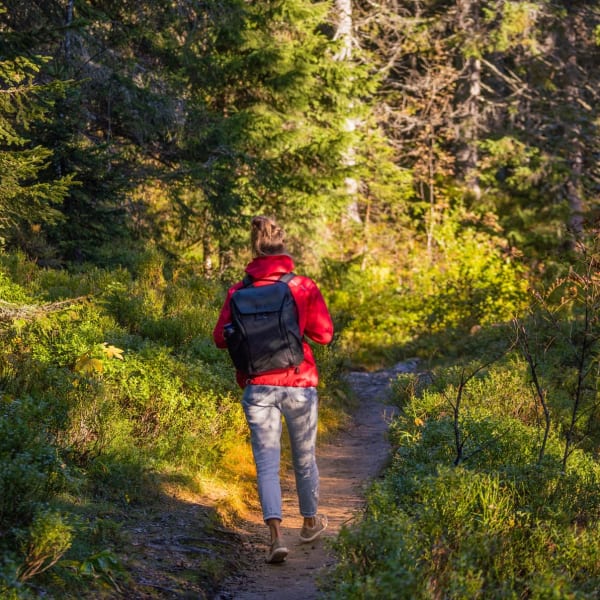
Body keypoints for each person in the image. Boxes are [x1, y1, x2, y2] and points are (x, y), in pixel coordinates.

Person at [213, 215, 334, 564]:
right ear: (283, 247)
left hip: (257, 386)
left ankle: (275, 536)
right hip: (299, 382)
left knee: (266, 464)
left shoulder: (239, 291)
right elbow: (324, 335)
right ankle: (309, 523)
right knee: (304, 457)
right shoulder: (303, 286)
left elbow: (221, 338)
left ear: (254, 249)